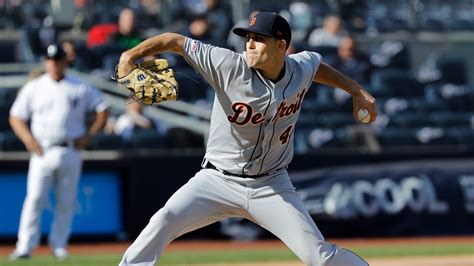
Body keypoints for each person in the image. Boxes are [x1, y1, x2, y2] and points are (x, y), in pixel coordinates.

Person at [116, 12, 376, 266]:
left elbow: (316, 65)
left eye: (259, 38)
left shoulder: (300, 67)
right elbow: (174, 41)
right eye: (248, 37)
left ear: (281, 46)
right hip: (217, 180)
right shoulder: (227, 64)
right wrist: (130, 55)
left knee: (318, 257)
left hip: (272, 185)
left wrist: (356, 90)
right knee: (164, 220)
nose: (249, 43)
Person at [8, 43, 109, 260]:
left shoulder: (79, 86)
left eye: (58, 59)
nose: (54, 64)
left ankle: (59, 244)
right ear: (46, 62)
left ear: (65, 61)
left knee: (66, 200)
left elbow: (103, 109)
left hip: (70, 148)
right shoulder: (34, 87)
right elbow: (16, 116)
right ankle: (25, 245)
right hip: (41, 149)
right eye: (50, 60)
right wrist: (27, 139)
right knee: (34, 198)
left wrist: (90, 135)